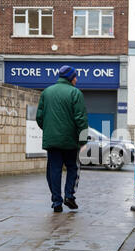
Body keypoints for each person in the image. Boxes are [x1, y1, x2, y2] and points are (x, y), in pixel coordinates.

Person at [36, 65, 88, 213]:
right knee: (73, 167)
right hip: (70, 141)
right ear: (71, 77)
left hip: (52, 141)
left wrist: (49, 130)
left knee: (54, 170)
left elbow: (39, 117)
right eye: (76, 77)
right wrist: (83, 140)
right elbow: (80, 119)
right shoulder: (75, 93)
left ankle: (56, 202)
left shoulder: (46, 92)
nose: (77, 80)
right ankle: (69, 196)